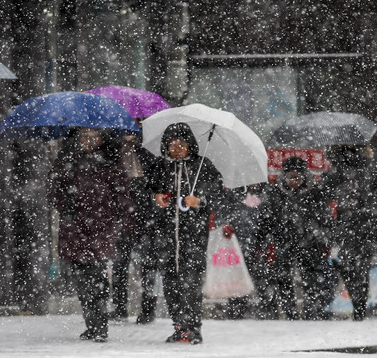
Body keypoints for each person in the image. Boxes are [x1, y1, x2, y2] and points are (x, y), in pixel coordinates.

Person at [48, 127, 130, 342]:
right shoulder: (67, 160)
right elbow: (54, 188)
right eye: (85, 136)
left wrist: (118, 219)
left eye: (94, 136)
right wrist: (64, 202)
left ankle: (100, 325)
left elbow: (122, 193)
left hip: (101, 227)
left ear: (103, 138)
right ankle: (92, 324)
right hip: (75, 226)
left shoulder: (111, 161)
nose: (89, 141)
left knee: (97, 275)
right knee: (81, 279)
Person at [147, 122, 224, 344]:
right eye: (173, 145)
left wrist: (200, 201)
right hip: (166, 235)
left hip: (194, 235)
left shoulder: (203, 166)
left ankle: (193, 326)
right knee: (170, 281)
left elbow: (219, 195)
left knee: (191, 281)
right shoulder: (159, 167)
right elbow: (143, 193)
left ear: (190, 145)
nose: (177, 149)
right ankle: (179, 325)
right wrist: (155, 198)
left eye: (182, 144)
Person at [254, 156, 336, 320]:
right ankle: (290, 312)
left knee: (312, 279)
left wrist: (324, 238)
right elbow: (265, 220)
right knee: (283, 279)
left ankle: (311, 312)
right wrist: (261, 241)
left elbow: (326, 219)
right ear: (284, 176)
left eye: (297, 176)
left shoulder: (315, 193)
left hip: (310, 242)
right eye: (290, 177)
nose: (294, 181)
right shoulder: (275, 193)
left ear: (304, 176)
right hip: (283, 241)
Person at [319, 145, 377, 321]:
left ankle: (357, 308)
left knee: (352, 269)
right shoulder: (367, 169)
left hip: (352, 229)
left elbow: (325, 196)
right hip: (355, 229)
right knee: (355, 270)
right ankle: (358, 309)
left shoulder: (357, 170)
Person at [109, 130, 159, 323]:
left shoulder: (148, 148)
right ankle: (120, 307)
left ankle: (148, 309)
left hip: (146, 213)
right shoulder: (113, 149)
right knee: (120, 264)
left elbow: (155, 179)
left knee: (148, 264)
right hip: (122, 212)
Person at [219, 183, 271, 319]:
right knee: (238, 281)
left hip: (257, 245)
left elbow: (269, 220)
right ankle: (236, 312)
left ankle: (267, 312)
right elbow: (221, 214)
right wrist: (225, 225)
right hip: (236, 246)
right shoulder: (231, 195)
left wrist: (264, 241)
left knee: (262, 282)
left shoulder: (264, 193)